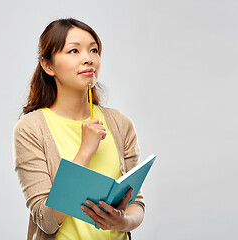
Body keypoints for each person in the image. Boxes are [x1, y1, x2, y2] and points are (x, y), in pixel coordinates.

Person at [13, 18, 145, 240]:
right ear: (48, 66)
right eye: (74, 51)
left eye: (93, 50)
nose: (88, 59)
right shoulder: (31, 129)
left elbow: (136, 205)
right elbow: (46, 219)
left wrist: (122, 221)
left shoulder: (120, 123)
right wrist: (85, 151)